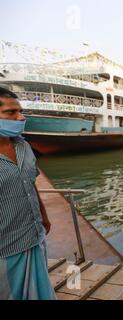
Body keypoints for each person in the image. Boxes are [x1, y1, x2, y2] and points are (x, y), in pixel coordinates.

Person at [0, 87, 55, 300]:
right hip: (5, 249)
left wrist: (44, 215)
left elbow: (29, 183)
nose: (20, 117)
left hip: (34, 236)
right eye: (11, 112)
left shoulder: (24, 146)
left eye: (20, 111)